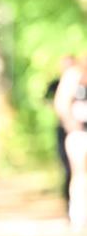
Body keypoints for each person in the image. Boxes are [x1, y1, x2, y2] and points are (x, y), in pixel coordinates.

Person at [54, 54, 87, 232]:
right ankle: (78, 214)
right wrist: (72, 125)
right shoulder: (73, 77)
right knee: (80, 174)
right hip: (79, 133)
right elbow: (61, 103)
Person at [45, 55, 76, 211]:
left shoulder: (81, 83)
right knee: (69, 169)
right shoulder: (56, 84)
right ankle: (70, 205)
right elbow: (47, 100)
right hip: (66, 131)